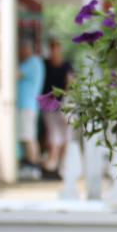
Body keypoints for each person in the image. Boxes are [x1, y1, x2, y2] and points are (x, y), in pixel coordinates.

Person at [41, 38, 74, 179]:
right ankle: (54, 163)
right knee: (53, 135)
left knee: (65, 135)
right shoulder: (45, 64)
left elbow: (72, 83)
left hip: (63, 105)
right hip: (49, 105)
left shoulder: (67, 65)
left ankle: (61, 164)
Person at [17, 39, 45, 177]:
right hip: (27, 105)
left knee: (28, 137)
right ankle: (31, 165)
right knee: (28, 136)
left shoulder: (32, 62)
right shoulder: (33, 62)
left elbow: (14, 75)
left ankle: (33, 166)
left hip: (27, 105)